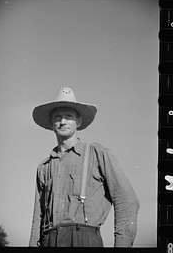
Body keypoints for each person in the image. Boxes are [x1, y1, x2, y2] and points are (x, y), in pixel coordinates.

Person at [29, 86, 140, 247]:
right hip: (49, 239)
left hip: (85, 239)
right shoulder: (44, 167)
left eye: (69, 116)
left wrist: (122, 245)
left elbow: (127, 200)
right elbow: (37, 218)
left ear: (78, 121)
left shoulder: (97, 154)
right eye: (57, 117)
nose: (63, 121)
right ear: (51, 122)